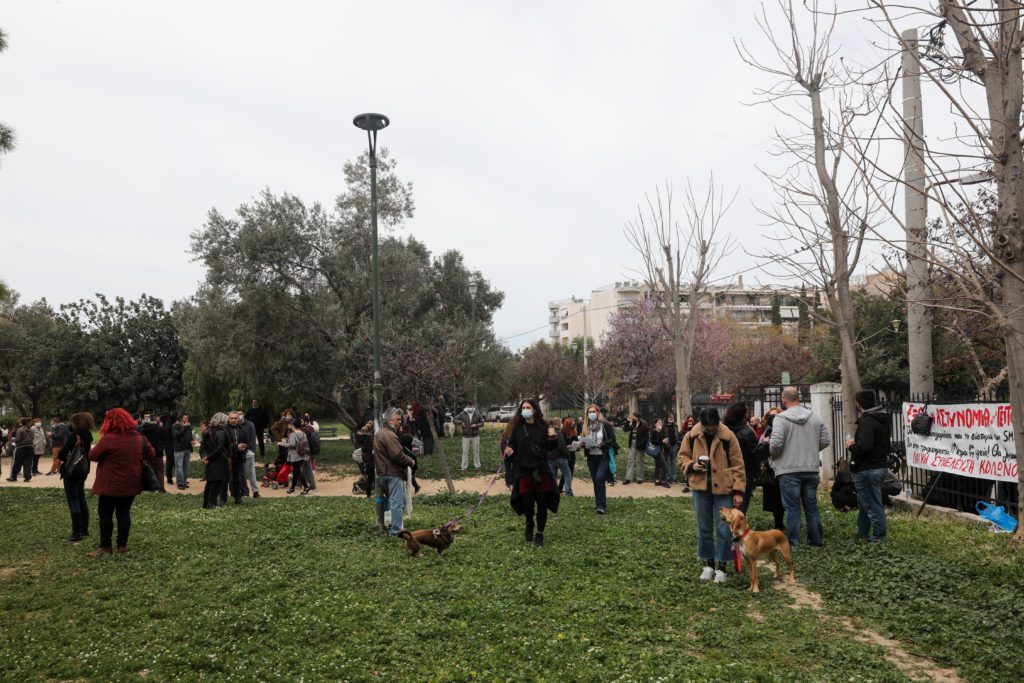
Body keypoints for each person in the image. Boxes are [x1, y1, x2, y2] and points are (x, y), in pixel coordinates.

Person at [677, 408, 745, 583]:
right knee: (704, 527)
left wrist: (738, 491)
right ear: (701, 424)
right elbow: (682, 457)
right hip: (700, 488)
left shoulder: (728, 437)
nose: (710, 431)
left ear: (718, 423)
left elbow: (738, 465)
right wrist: (692, 466)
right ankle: (708, 564)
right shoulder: (691, 436)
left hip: (724, 488)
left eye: (713, 428)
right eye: (707, 428)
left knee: (724, 529)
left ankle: (722, 567)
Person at [769, 387, 831, 548]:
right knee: (811, 507)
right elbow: (825, 440)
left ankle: (794, 543)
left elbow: (776, 443)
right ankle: (815, 541)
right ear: (799, 398)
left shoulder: (780, 418)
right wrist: (810, 449)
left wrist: (774, 455)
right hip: (810, 468)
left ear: (783, 400)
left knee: (792, 508)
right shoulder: (815, 416)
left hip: (788, 469)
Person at [86, 408, 153, 556]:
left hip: (109, 484)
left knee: (105, 514)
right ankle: (122, 545)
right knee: (124, 514)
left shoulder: (109, 438)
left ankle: (105, 546)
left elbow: (92, 455)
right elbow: (152, 453)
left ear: (109, 422)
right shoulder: (138, 437)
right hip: (131, 482)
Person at [502, 399, 560, 547]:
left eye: (528, 407)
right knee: (527, 503)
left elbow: (551, 447)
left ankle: (539, 534)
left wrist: (553, 439)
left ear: (534, 410)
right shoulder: (518, 428)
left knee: (542, 504)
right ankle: (529, 522)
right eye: (523, 407)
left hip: (541, 470)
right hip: (523, 470)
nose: (525, 410)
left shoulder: (544, 426)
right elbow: (511, 446)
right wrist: (508, 451)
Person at [845, 389, 891, 542]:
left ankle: (879, 537)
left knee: (872, 504)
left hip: (867, 469)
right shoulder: (882, 418)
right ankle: (862, 532)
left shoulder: (868, 421)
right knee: (864, 502)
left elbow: (865, 447)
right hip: (879, 466)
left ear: (858, 403)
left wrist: (851, 446)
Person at [373, 407, 416, 536]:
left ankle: (389, 523)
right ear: (390, 420)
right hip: (393, 473)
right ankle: (395, 531)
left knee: (400, 502)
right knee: (397, 503)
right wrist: (411, 461)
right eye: (397, 419)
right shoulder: (390, 435)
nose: (400, 422)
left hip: (382, 473)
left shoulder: (380, 433)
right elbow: (397, 455)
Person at [57, 412, 94, 542]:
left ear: (77, 423)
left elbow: (61, 454)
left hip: (72, 471)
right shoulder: (88, 435)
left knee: (73, 500)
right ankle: (84, 529)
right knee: (81, 498)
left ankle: (76, 532)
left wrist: (66, 455)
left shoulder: (75, 436)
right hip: (83, 469)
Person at [578, 404, 616, 515]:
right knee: (596, 481)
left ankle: (601, 505)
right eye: (589, 412)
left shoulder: (605, 425)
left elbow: (612, 439)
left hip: (603, 456)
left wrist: (602, 445)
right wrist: (581, 444)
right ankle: (599, 504)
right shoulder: (586, 426)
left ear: (598, 412)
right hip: (591, 457)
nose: (591, 414)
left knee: (600, 478)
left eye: (593, 411)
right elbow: (584, 441)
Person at [723, 403, 759, 513]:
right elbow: (756, 453)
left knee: (729, 506)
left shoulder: (725, 430)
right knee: (740, 508)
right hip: (745, 472)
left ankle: (728, 528)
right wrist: (766, 445)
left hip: (727, 472)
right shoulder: (747, 432)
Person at [756, 409, 785, 530]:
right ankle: (778, 522)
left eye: (776, 415)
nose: (773, 418)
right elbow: (761, 450)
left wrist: (770, 443)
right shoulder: (766, 431)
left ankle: (780, 523)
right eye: (770, 415)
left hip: (781, 467)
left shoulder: (782, 430)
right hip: (769, 468)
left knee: (780, 498)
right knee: (773, 498)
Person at [201, 413, 232, 507]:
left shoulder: (207, 430)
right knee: (217, 482)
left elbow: (203, 448)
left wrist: (204, 457)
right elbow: (220, 448)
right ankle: (212, 504)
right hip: (218, 460)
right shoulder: (221, 431)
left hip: (210, 460)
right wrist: (209, 457)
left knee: (210, 482)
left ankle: (206, 504)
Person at [279, 420, 312, 495]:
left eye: (290, 425)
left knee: (297, 472)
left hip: (295, 455)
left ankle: (305, 487)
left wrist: (283, 444)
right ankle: (293, 488)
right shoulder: (303, 433)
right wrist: (289, 441)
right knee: (296, 472)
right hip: (302, 454)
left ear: (293, 426)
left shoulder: (293, 434)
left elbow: (292, 444)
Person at [138, 416, 167, 493]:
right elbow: (165, 437)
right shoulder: (159, 428)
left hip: (147, 453)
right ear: (156, 420)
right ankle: (161, 489)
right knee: (160, 470)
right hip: (158, 453)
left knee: (150, 470)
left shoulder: (144, 430)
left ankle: (152, 488)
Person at [455, 400, 485, 474]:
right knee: (465, 452)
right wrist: (460, 422)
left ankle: (477, 468)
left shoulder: (477, 413)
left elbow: (482, 422)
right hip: (465, 436)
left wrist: (477, 425)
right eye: (469, 405)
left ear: (473, 405)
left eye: (471, 405)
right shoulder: (463, 413)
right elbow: (455, 419)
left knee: (476, 451)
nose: (470, 406)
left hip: (475, 436)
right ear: (466, 405)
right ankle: (464, 468)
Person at [547, 417, 574, 497]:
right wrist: (567, 455)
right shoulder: (559, 432)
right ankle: (568, 492)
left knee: (553, 475)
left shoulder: (548, 432)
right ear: (558, 423)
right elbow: (562, 446)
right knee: (567, 473)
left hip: (550, 457)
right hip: (560, 457)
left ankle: (554, 492)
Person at [170, 414, 195, 490]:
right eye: (185, 418)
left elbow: (189, 435)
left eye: (187, 418)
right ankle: (180, 483)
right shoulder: (175, 426)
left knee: (186, 466)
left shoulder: (188, 426)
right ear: (181, 419)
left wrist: (192, 440)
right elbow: (177, 435)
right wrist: (184, 427)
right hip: (179, 449)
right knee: (179, 467)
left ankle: (184, 481)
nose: (187, 419)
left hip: (187, 448)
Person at [646, 417, 672, 488]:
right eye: (658, 423)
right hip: (657, 451)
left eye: (661, 423)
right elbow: (653, 442)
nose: (660, 424)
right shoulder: (654, 431)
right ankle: (663, 481)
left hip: (660, 450)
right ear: (655, 424)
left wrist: (665, 441)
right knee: (664, 465)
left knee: (658, 465)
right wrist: (663, 442)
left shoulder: (660, 430)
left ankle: (657, 480)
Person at [623, 413, 649, 485]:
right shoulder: (632, 424)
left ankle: (639, 478)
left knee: (639, 461)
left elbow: (646, 437)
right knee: (630, 460)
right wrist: (628, 421)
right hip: (632, 444)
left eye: (633, 416)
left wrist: (641, 444)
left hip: (640, 446)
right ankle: (628, 478)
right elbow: (625, 429)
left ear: (637, 417)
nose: (632, 417)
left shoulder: (644, 425)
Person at [7, 418, 34, 482]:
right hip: (30, 447)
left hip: (20, 448)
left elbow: (18, 439)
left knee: (16, 463)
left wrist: (13, 440)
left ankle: (13, 477)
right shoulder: (31, 429)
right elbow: (32, 438)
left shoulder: (20, 429)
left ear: (21, 423)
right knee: (28, 463)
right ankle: (27, 477)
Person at [559, 417, 578, 494]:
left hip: (572, 454)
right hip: (565, 455)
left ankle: (563, 488)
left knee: (570, 472)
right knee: (566, 472)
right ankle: (565, 489)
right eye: (572, 422)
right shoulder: (562, 433)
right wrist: (567, 446)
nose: (573, 423)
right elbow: (561, 445)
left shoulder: (574, 431)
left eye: (574, 422)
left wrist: (578, 445)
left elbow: (576, 441)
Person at [664, 414, 680, 483]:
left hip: (674, 446)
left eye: (673, 417)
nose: (672, 418)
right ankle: (668, 477)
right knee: (667, 462)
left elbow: (677, 435)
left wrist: (677, 444)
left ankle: (673, 477)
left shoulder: (675, 426)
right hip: (667, 446)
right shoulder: (664, 426)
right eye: (670, 417)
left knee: (673, 462)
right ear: (667, 418)